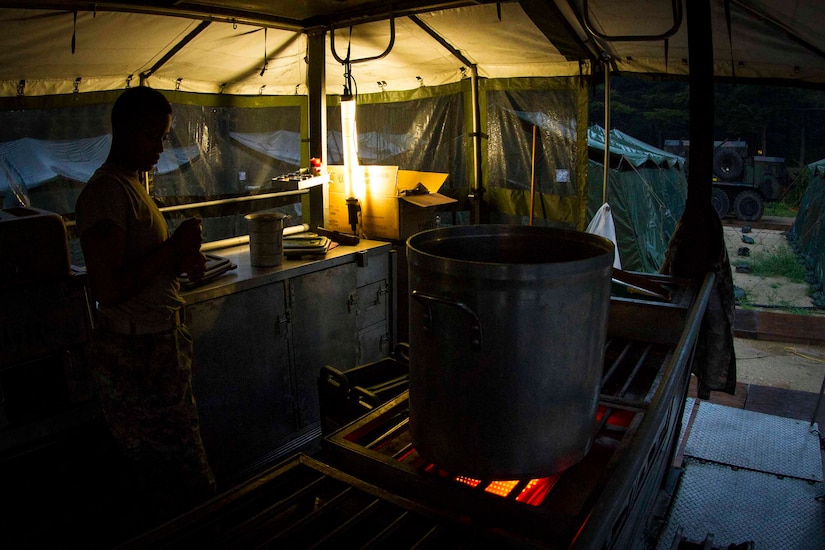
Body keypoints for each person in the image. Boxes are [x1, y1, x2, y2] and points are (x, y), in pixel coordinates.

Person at [75, 86, 215, 531]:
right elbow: (108, 287)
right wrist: (173, 246)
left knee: (179, 466)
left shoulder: (133, 186)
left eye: (164, 136)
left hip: (158, 346)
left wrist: (178, 261)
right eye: (154, 136)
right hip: (137, 357)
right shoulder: (106, 193)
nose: (160, 147)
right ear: (128, 132)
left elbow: (140, 267)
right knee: (174, 475)